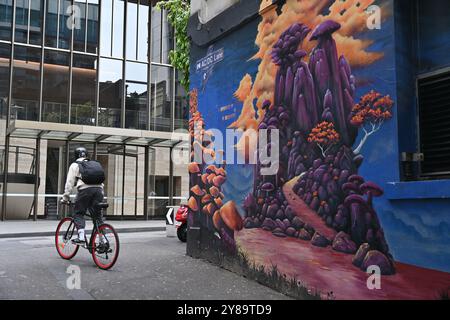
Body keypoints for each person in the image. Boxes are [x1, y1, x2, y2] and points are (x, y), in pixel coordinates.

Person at [61, 147, 105, 245]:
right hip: (99, 190)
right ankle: (103, 240)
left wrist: (65, 197)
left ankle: (81, 237)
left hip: (85, 191)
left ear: (75, 155)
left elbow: (69, 183)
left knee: (78, 213)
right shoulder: (94, 164)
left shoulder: (75, 165)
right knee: (97, 216)